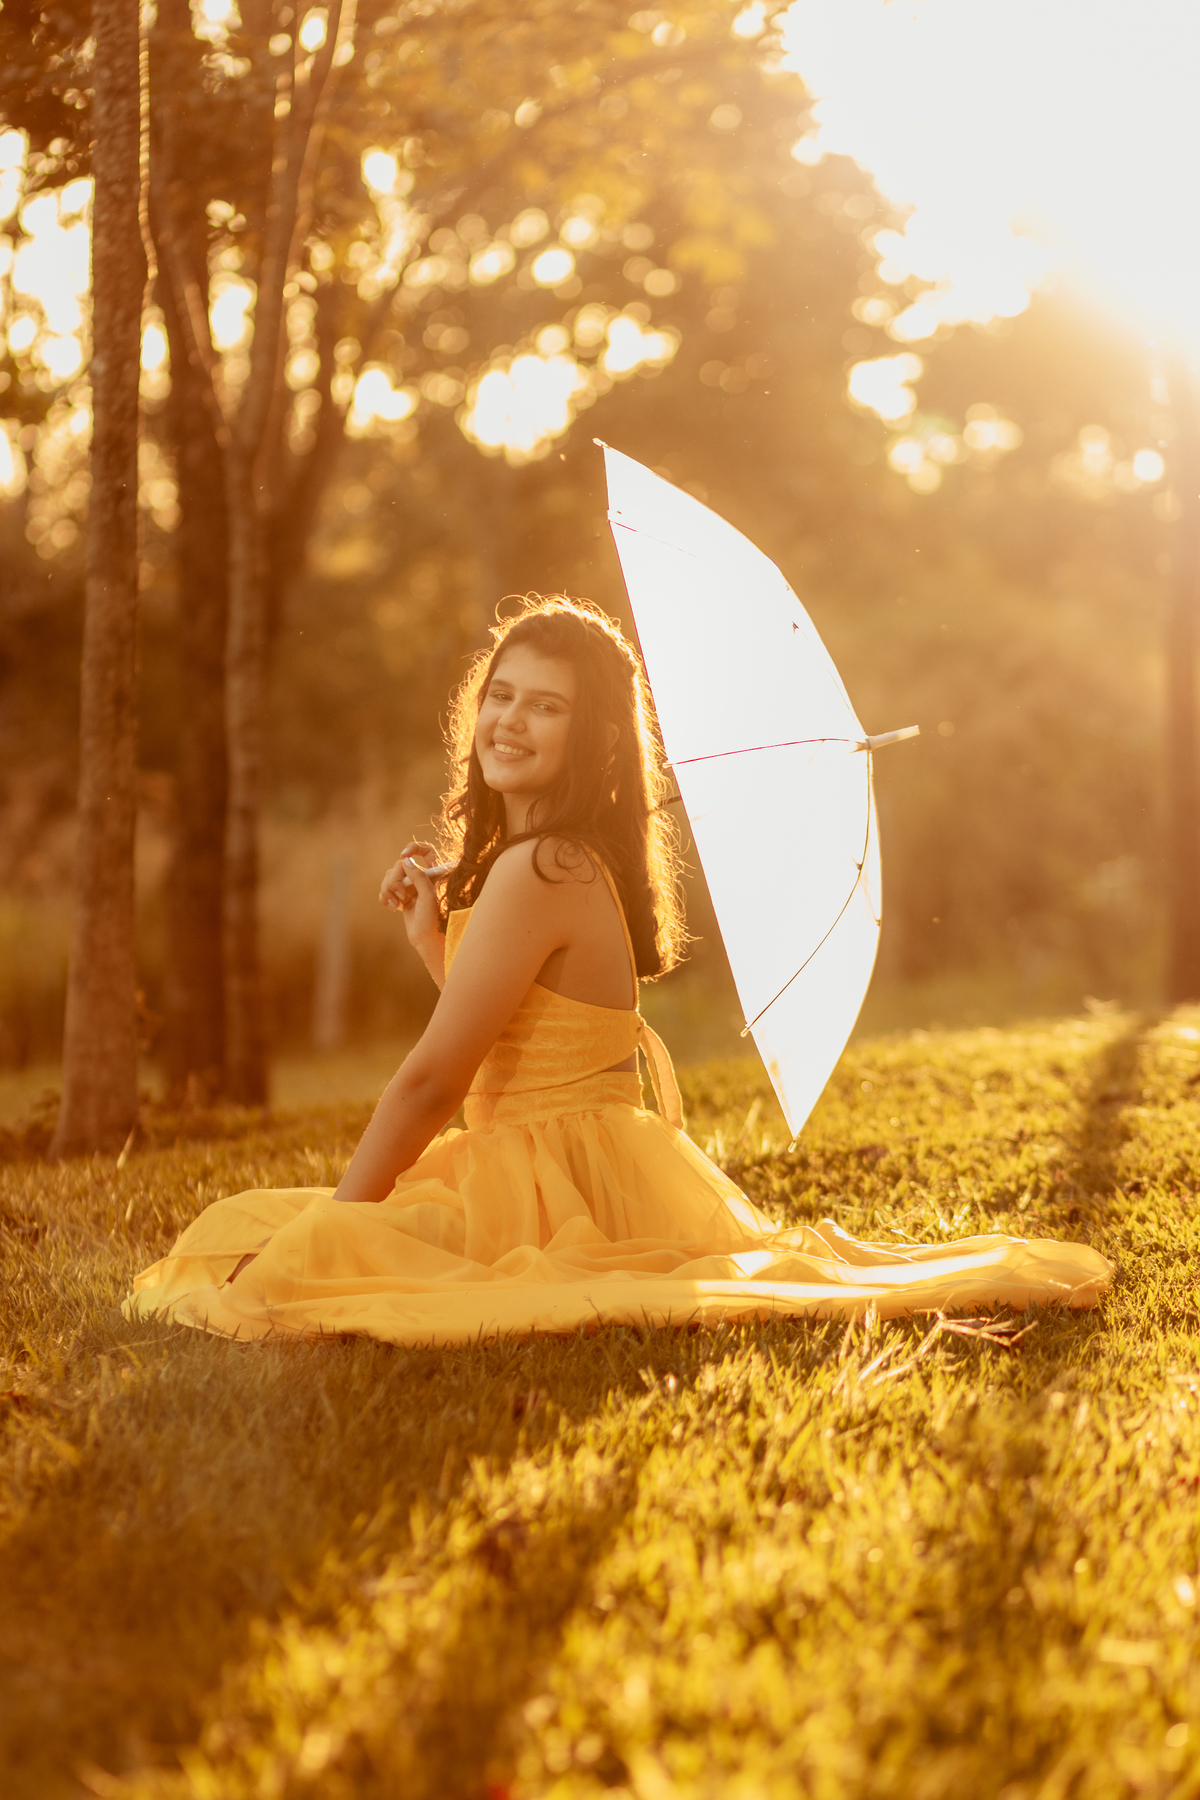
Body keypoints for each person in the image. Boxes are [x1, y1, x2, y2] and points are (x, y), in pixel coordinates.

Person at [126, 597, 1111, 1344]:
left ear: (592, 738)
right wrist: (436, 943)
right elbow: (521, 1042)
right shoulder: (551, 861)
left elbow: (435, 1080)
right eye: (500, 695)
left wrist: (342, 1225)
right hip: (570, 1158)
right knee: (249, 1232)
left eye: (544, 706)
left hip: (558, 1178)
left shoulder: (540, 866)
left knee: (294, 1250)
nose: (509, 720)